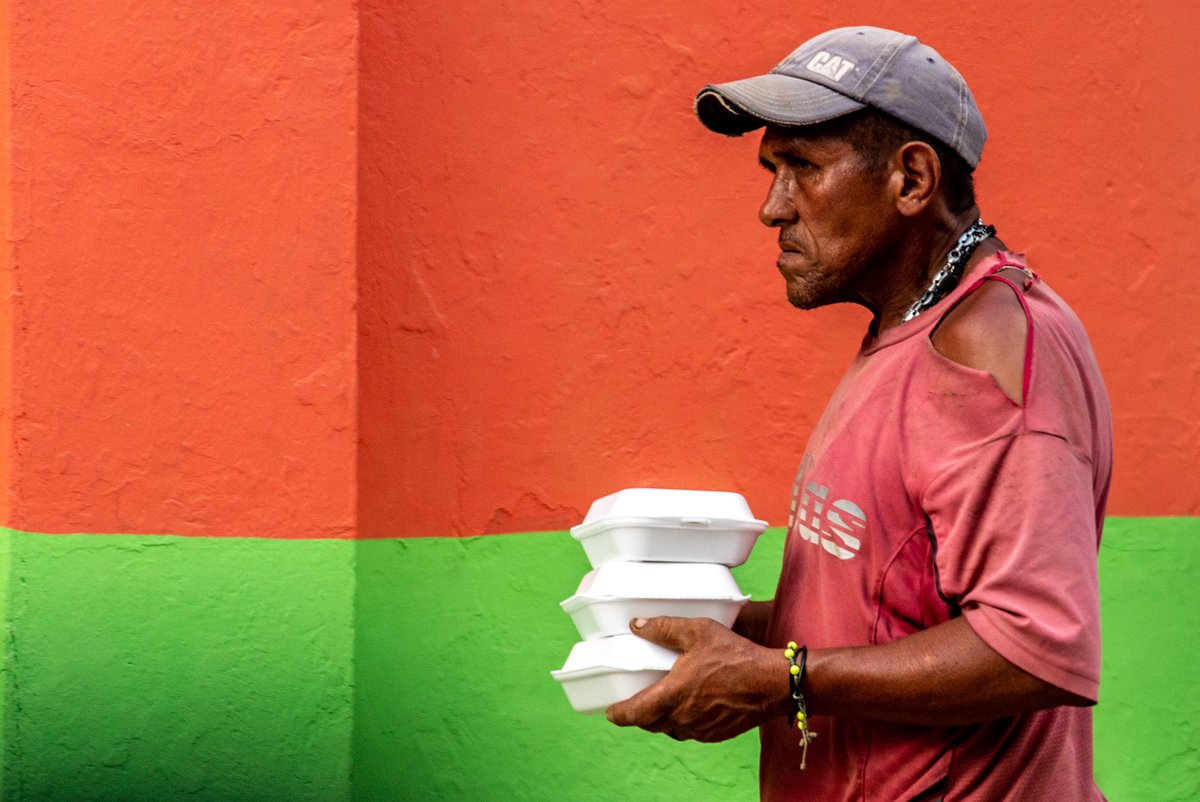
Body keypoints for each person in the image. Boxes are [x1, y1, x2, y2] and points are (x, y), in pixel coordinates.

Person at [605, 26, 1112, 801]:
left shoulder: (992, 348)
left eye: (802, 167)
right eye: (773, 169)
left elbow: (1034, 647)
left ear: (911, 179)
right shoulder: (912, 324)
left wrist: (783, 680)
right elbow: (896, 608)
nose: (772, 207)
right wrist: (740, 634)